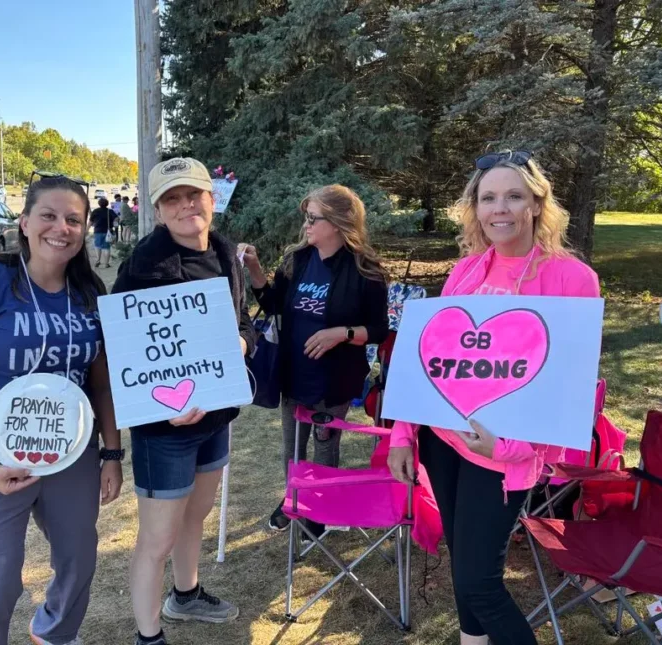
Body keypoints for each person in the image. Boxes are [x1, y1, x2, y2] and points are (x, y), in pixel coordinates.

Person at [387, 151, 600, 645]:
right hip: (444, 441)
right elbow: (430, 359)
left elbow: (573, 391)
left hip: (503, 457)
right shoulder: (464, 272)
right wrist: (402, 434)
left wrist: (506, 449)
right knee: (465, 566)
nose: (499, 208)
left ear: (536, 204)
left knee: (480, 583)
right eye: (488, 198)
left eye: (513, 196)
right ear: (474, 209)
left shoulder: (573, 280)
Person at [0, 175, 123, 645]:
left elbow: (102, 382)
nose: (62, 228)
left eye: (74, 219)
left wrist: (112, 453)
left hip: (71, 451)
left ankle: (55, 633)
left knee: (79, 557)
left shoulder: (89, 293)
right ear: (26, 222)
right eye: (50, 216)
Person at [110, 157, 255, 645]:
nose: (185, 205)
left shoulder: (222, 251)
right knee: (157, 538)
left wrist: (243, 343)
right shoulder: (143, 268)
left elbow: (243, 322)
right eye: (172, 198)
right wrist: (161, 403)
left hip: (215, 416)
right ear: (156, 210)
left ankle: (186, 594)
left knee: (197, 513)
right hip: (164, 430)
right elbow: (122, 348)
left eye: (193, 194)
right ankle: (148, 636)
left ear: (212, 198)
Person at [242, 184, 389, 533]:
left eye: (313, 219)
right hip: (294, 371)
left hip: (335, 376)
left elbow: (379, 329)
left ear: (337, 223)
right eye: (306, 218)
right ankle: (295, 496)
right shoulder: (299, 259)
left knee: (325, 443)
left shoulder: (366, 270)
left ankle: (321, 506)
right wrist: (255, 268)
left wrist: (341, 333)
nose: (306, 225)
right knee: (292, 446)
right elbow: (274, 302)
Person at [90, 197, 114, 268]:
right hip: (108, 232)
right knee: (107, 248)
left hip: (97, 231)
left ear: (99, 203)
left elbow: (90, 222)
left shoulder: (95, 211)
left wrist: (86, 230)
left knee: (98, 246)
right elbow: (117, 218)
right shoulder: (109, 211)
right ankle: (106, 264)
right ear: (107, 203)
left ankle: (98, 261)